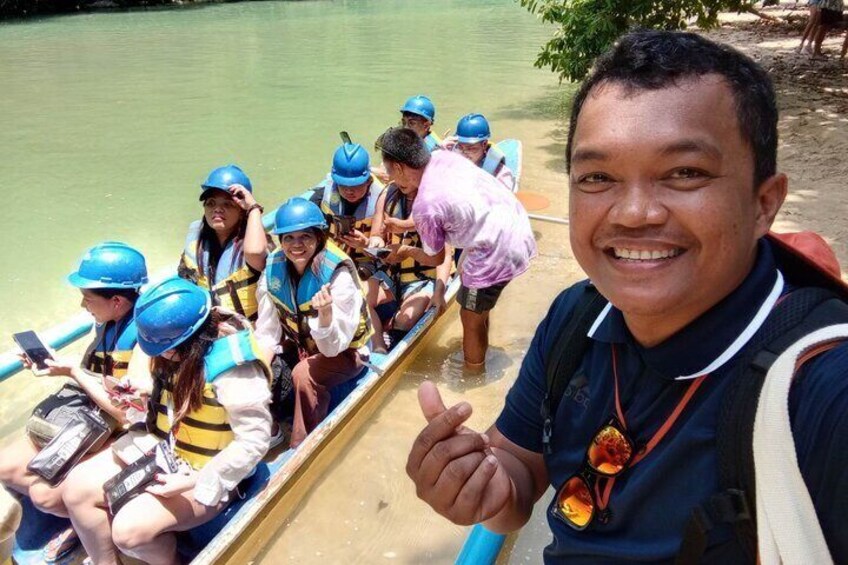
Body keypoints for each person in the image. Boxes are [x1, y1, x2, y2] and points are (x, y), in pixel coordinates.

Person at [405, 31, 848, 563]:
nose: (634, 213)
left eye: (685, 172)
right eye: (598, 176)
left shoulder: (820, 390)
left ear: (763, 203)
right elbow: (517, 476)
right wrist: (480, 486)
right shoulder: (578, 317)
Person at [61, 277, 272, 565]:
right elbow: (177, 403)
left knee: (128, 531)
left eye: (167, 349)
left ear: (193, 339)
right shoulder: (173, 353)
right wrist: (142, 397)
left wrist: (193, 481)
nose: (160, 355)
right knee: (75, 489)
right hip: (166, 447)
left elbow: (254, 441)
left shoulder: (235, 371)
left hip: (208, 468)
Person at [0, 241, 147, 561]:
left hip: (126, 428)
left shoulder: (146, 339)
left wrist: (73, 372)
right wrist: (58, 367)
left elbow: (128, 412)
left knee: (46, 497)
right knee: (6, 466)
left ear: (118, 301)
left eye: (88, 298)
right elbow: (101, 377)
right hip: (93, 416)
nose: (82, 305)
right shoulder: (108, 321)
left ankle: (91, 529)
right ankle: (81, 524)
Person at [377, 127, 535, 369]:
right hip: (514, 223)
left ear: (399, 167)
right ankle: (481, 346)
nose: (389, 178)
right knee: (477, 306)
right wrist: (404, 224)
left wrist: (406, 252)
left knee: (469, 316)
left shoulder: (426, 203)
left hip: (498, 249)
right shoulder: (443, 158)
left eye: (389, 171)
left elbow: (436, 257)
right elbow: (451, 208)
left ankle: (473, 373)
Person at [255, 198, 372, 448]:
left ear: (319, 237)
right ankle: (268, 429)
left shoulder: (337, 275)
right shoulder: (273, 270)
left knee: (303, 373)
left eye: (305, 237)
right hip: (304, 346)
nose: (296, 245)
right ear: (280, 241)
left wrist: (326, 315)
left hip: (346, 352)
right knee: (253, 366)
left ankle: (302, 445)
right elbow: (267, 333)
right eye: (288, 238)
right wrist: (258, 370)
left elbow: (333, 348)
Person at [365, 167, 453, 354]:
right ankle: (379, 348)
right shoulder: (387, 194)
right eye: (397, 174)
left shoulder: (434, 203)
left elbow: (444, 256)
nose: (401, 180)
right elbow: (376, 233)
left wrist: (439, 292)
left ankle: (395, 329)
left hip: (424, 277)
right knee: (363, 298)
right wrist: (374, 243)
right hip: (393, 273)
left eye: (407, 175)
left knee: (405, 320)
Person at [178, 164, 271, 323]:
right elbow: (184, 287)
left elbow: (255, 252)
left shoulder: (254, 243)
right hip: (206, 327)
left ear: (242, 210)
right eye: (211, 203)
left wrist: (253, 208)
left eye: (227, 204)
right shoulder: (197, 244)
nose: (217, 209)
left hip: (248, 332)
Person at [310, 142, 385, 279]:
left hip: (367, 263)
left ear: (368, 180)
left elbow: (386, 255)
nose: (349, 191)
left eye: (356, 185)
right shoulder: (322, 196)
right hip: (333, 257)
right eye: (343, 185)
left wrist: (365, 244)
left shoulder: (383, 201)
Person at [445, 113, 515, 190]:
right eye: (460, 147)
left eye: (470, 148)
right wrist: (440, 152)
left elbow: (504, 200)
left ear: (484, 144)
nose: (464, 154)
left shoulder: (501, 174)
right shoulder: (450, 158)